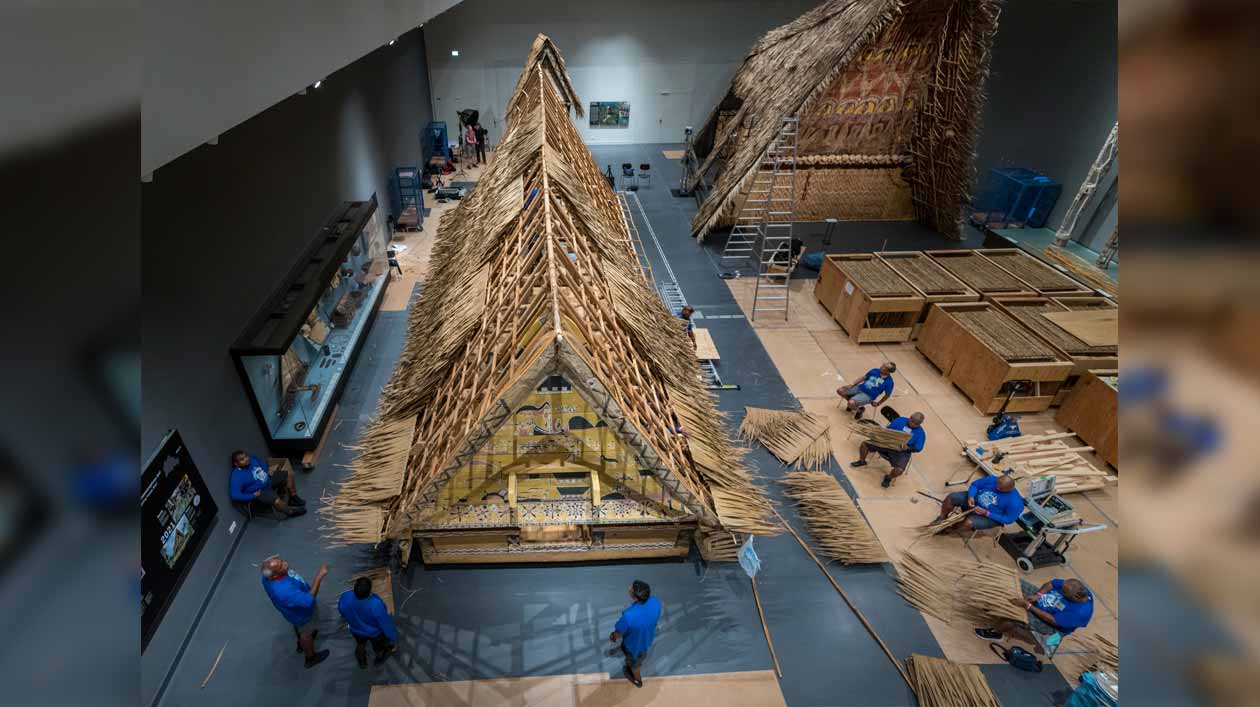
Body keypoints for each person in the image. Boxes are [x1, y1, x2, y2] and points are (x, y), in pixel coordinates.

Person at [976, 578, 1094, 652]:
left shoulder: (1080, 612)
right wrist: (1039, 594)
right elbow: (1052, 583)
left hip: (1052, 624)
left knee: (1016, 617)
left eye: (1064, 592)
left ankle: (996, 633)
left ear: (1075, 597)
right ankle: (993, 604)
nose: (1061, 590)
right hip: (1043, 603)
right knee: (1015, 582)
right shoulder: (1077, 588)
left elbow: (1052, 620)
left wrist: (1029, 607)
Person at [261, 556, 330, 668]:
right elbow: (308, 600)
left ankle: (301, 642)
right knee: (306, 633)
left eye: (281, 560)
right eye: (281, 565)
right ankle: (310, 657)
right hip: (303, 615)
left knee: (300, 629)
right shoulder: (284, 591)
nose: (285, 563)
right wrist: (319, 576)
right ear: (275, 574)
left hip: (294, 611)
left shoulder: (268, 578)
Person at [337, 576, 399, 669]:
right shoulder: (375, 603)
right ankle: (379, 658)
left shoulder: (345, 597)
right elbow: (386, 624)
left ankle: (362, 661)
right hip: (375, 634)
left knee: (360, 644)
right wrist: (393, 638)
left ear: (354, 588)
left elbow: (341, 611)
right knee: (378, 648)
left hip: (356, 630)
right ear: (369, 592)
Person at [850, 412, 925, 488]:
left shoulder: (921, 433)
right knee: (865, 444)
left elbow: (918, 448)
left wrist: (908, 448)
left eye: (916, 424)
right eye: (912, 421)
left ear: (920, 424)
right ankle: (862, 461)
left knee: (899, 470)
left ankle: (888, 477)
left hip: (902, 451)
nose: (913, 424)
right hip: (887, 442)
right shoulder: (900, 420)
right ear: (910, 417)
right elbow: (888, 430)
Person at [610, 579, 661, 688]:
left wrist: (613, 636)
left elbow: (618, 633)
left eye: (631, 588)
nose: (629, 587)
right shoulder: (655, 601)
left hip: (635, 647)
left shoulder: (629, 616)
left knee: (634, 665)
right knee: (632, 653)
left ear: (636, 598)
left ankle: (637, 680)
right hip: (647, 638)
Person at [228, 450, 306, 517]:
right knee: (277, 501)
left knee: (288, 475)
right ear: (236, 464)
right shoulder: (236, 477)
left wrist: (267, 469)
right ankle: (290, 512)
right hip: (260, 490)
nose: (247, 459)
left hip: (267, 479)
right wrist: (252, 495)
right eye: (242, 459)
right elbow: (235, 495)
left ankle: (293, 497)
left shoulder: (252, 459)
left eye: (246, 456)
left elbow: (260, 462)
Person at [938, 473, 1023, 532]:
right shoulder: (993, 479)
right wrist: (971, 496)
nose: (997, 488)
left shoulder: (1016, 503)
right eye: (996, 485)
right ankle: (941, 519)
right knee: (951, 497)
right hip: (974, 502)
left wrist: (987, 513)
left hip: (989, 517)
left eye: (1000, 489)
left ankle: (950, 528)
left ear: (1009, 490)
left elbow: (1008, 519)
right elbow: (975, 485)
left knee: (969, 523)